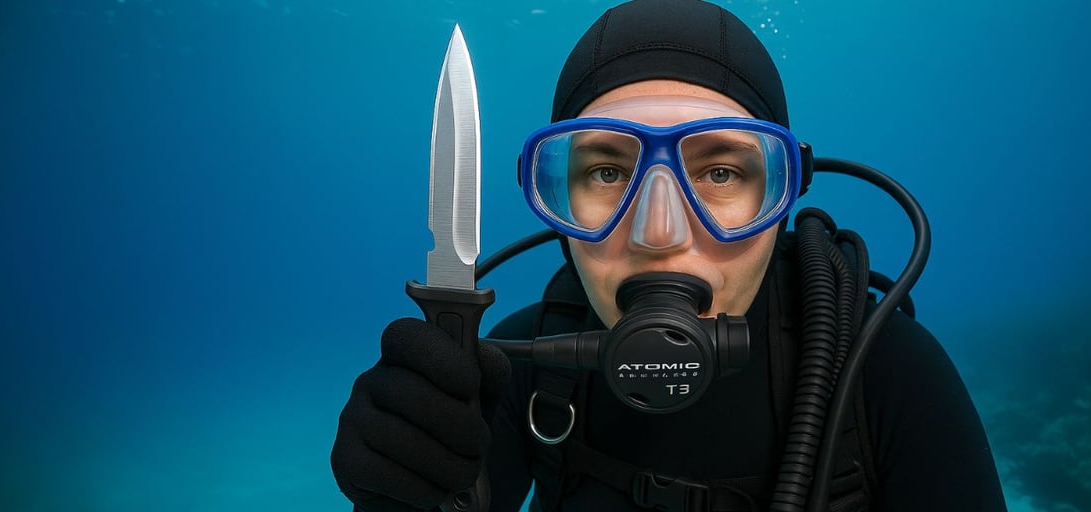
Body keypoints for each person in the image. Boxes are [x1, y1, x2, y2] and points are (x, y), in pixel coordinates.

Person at [331, 0, 1007, 510]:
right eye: (606, 172)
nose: (659, 232)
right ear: (557, 198)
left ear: (782, 195)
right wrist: (405, 480)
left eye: (720, 173)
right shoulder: (509, 370)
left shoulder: (883, 372)